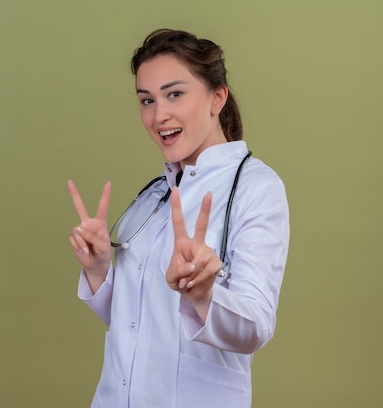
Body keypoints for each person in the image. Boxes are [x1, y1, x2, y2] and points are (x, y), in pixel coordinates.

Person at [67, 29, 290, 408]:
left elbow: (256, 327)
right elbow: (134, 321)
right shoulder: (155, 195)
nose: (158, 115)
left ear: (216, 98)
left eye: (174, 94)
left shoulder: (255, 188)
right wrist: (100, 270)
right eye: (146, 100)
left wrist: (204, 297)